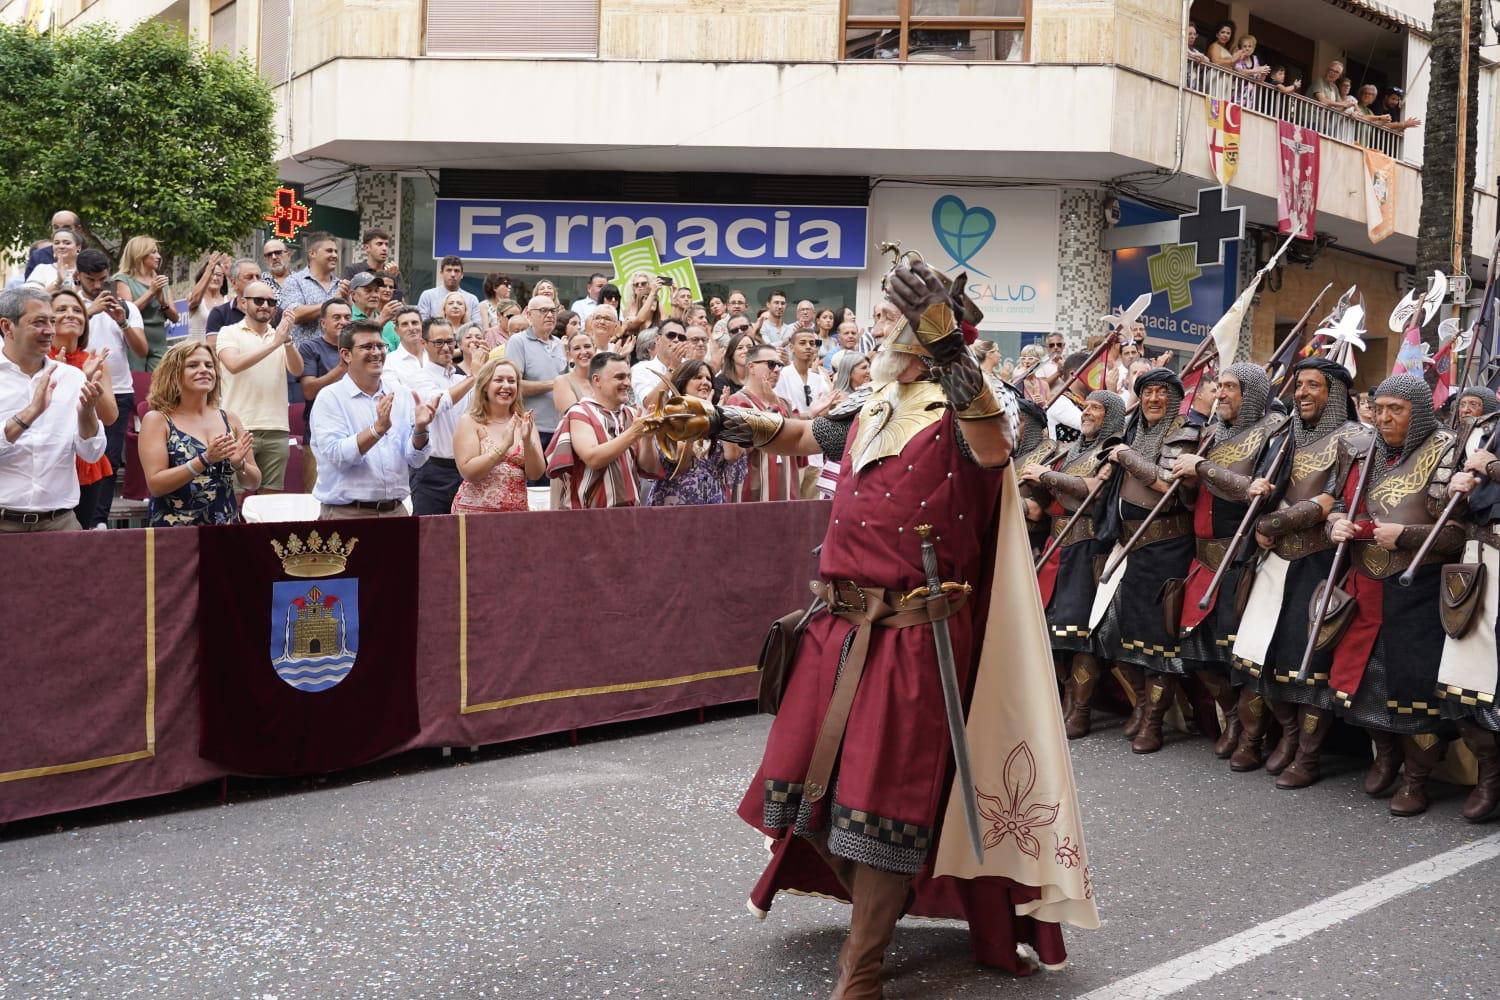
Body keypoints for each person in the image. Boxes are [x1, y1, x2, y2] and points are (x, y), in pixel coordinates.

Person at [689, 259, 1094, 989]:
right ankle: (890, 898)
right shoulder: (875, 402)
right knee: (810, 790)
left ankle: (863, 966)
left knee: (886, 803)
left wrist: (949, 347)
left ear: (931, 340)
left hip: (915, 636)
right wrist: (717, 420)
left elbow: (995, 446)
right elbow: (802, 434)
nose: (880, 335)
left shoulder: (965, 409)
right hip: (839, 630)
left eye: (894, 326)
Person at [1322, 375, 1462, 815]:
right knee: (1363, 683)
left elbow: (1456, 534)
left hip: (1415, 587)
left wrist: (1406, 536)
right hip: (1365, 583)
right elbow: (1344, 507)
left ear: (1417, 411)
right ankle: (1384, 756)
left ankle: (1416, 779)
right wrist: (1336, 525)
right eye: (1378, 408)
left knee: (1414, 689)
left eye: (1395, 409)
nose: (1383, 418)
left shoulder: (1444, 451)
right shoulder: (1366, 452)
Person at [1228, 358, 1361, 783]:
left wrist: (1279, 521)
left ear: (1335, 394)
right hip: (1273, 560)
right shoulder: (1285, 434)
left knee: (1308, 664)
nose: (1301, 393)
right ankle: (1279, 735)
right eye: (1299, 385)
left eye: (1312, 386)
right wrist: (1262, 514)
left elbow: (1336, 499)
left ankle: (1306, 755)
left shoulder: (1357, 438)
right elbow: (1265, 487)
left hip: (1319, 560)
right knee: (1256, 653)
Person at [1168, 363, 1284, 761]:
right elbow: (1195, 497)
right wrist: (1188, 484)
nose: (1220, 394)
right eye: (1219, 387)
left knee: (1242, 656)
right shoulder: (1214, 433)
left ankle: (1252, 737)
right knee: (1197, 652)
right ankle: (1233, 717)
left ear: (1251, 393)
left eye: (1231, 388)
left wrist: (1203, 467)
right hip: (1203, 559)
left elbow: (1257, 493)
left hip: (1243, 558)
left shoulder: (1275, 432)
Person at [1090, 368, 1201, 754]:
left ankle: (1153, 721)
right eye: (1147, 392)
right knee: (1114, 634)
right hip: (1127, 547)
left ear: (1174, 397)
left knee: (1157, 646)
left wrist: (1127, 456)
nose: (1153, 399)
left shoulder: (1184, 433)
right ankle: (1141, 703)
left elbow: (1169, 487)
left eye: (1161, 392)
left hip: (1165, 548)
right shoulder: (1133, 432)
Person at [1025, 389, 1127, 737]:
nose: (1087, 413)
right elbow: (1049, 496)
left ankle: (1080, 711)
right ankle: (1066, 699)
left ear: (1110, 416)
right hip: (1057, 544)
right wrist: (1034, 485)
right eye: (1085, 407)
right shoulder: (1070, 450)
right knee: (1049, 632)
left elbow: (1095, 488)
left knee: (1080, 635)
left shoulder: (1113, 450)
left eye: (1096, 408)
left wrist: (1048, 477)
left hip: (1087, 545)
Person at [0, 287, 107, 531]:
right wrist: (30, 414)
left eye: (51, 321)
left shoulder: (72, 378)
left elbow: (92, 453)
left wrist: (87, 414)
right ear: (7, 327)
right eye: (38, 322)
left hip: (60, 522)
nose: (50, 330)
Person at [310, 320, 439, 519]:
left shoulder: (401, 395)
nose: (377, 352)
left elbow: (416, 459)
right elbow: (337, 457)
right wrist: (377, 430)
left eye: (380, 346)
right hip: (347, 514)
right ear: (346, 354)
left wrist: (421, 430)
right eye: (367, 347)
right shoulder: (330, 398)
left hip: (396, 511)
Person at [1439, 408, 1500, 822]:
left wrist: (1492, 466)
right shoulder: (1486, 427)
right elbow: (1443, 505)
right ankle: (1490, 776)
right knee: (1460, 683)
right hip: (1476, 563)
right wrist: (1453, 490)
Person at [139, 340, 257, 526]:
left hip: (225, 532)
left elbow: (253, 482)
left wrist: (239, 464)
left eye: (209, 365)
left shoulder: (230, 419)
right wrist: (204, 459)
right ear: (174, 374)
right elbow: (156, 485)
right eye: (193, 365)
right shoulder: (157, 420)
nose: (204, 370)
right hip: (175, 535)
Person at [75, 249, 147, 526]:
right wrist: (88, 313)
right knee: (78, 456)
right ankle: (78, 517)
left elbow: (141, 351)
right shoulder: (70, 306)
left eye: (102, 280)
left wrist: (123, 320)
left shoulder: (127, 307)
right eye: (90, 280)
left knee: (109, 457)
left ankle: (99, 520)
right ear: (77, 276)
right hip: (77, 388)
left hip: (118, 390)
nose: (96, 286)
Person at [215, 283, 304, 495]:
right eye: (259, 300)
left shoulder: (279, 335)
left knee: (270, 502)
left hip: (277, 428)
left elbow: (297, 370)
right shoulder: (228, 332)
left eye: (271, 302)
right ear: (243, 303)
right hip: (238, 426)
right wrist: (275, 343)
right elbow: (234, 365)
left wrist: (288, 341)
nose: (265, 306)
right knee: (232, 497)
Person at [544, 352, 660, 508]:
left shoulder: (632, 414)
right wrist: (634, 433)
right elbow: (593, 458)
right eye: (619, 377)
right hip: (588, 518)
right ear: (597, 380)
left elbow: (649, 467)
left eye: (628, 377)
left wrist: (646, 439)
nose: (627, 383)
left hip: (630, 516)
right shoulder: (579, 413)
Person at [47, 289, 119, 528]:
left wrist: (86, 380)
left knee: (79, 541)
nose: (71, 315)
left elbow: (110, 418)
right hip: (50, 459)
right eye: (62, 309)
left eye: (77, 310)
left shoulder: (95, 360)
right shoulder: (36, 358)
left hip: (88, 463)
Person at [408, 319, 487, 515]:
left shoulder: (460, 379)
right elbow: (438, 404)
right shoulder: (419, 376)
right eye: (438, 342)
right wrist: (473, 377)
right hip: (432, 470)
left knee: (464, 537)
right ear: (424, 344)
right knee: (429, 535)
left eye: (450, 342)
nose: (446, 348)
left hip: (465, 469)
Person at [643, 361, 745, 506]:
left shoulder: (717, 414)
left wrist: (720, 417)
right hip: (675, 502)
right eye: (698, 377)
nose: (705, 382)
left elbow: (732, 456)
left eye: (708, 379)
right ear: (683, 383)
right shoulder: (668, 417)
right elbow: (676, 456)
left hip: (712, 501)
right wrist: (698, 418)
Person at [452, 357, 544, 514]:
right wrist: (503, 447)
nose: (506, 386)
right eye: (499, 380)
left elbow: (535, 474)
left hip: (515, 516)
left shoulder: (525, 421)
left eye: (511, 381)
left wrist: (528, 442)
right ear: (486, 385)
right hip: (475, 515)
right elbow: (469, 472)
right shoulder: (470, 421)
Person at [724, 343, 798, 502]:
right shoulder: (736, 402)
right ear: (751, 367)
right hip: (753, 492)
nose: (777, 370)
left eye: (779, 365)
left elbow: (795, 446)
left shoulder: (785, 403)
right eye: (771, 364)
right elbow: (736, 453)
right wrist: (771, 410)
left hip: (785, 491)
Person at [507, 295, 569, 483]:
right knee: (532, 490)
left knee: (554, 493)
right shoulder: (518, 341)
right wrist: (555, 383)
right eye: (543, 311)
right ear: (528, 314)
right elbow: (514, 386)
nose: (550, 315)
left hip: (558, 431)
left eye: (553, 310)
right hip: (531, 430)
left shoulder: (559, 344)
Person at [297, 298, 353, 493]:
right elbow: (309, 390)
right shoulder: (309, 348)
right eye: (336, 317)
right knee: (315, 499)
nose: (343, 322)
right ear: (323, 323)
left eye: (347, 317)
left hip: (355, 435)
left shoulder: (359, 349)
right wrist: (340, 368)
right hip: (318, 439)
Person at [114, 235, 180, 371]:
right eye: (153, 252)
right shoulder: (123, 280)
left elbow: (175, 318)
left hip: (159, 343)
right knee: (138, 385)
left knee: (159, 386)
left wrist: (163, 302)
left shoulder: (160, 280)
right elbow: (126, 312)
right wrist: (151, 292)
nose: (159, 256)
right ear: (140, 254)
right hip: (134, 341)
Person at [277, 232, 347, 345]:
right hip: (302, 358)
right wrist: (332, 302)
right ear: (312, 253)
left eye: (336, 251)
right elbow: (294, 315)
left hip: (336, 357)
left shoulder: (341, 285)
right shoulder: (294, 281)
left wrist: (348, 302)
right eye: (329, 251)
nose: (334, 255)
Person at [633, 318, 688, 411]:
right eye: (671, 335)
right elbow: (651, 404)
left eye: (681, 338)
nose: (676, 340)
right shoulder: (641, 368)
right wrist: (672, 368)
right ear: (658, 339)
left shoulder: (689, 367)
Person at [205, 258, 264, 341]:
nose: (255, 281)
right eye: (249, 277)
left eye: (258, 277)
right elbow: (214, 350)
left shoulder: (274, 312)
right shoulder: (219, 314)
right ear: (234, 283)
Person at [417, 256, 481, 324]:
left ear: (462, 275)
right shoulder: (427, 296)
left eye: (456, 271)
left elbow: (477, 327)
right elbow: (422, 325)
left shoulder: (472, 300)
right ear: (441, 273)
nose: (453, 274)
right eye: (449, 270)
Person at [342, 228, 401, 297]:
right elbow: (345, 298)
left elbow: (400, 303)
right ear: (367, 247)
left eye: (386, 244)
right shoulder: (353, 270)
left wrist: (391, 278)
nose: (384, 248)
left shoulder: (393, 272)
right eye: (379, 244)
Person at [552, 330, 596, 417]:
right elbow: (574, 417)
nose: (583, 352)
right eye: (577, 348)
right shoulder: (562, 381)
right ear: (569, 355)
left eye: (587, 346)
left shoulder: (605, 379)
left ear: (595, 349)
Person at [187, 253, 230, 341]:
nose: (214, 278)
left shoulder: (229, 300)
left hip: (220, 352)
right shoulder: (196, 297)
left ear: (223, 280)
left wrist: (230, 274)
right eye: (212, 274)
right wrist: (208, 270)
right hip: (197, 351)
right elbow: (194, 299)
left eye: (218, 275)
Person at [384, 306, 427, 388]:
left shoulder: (435, 354)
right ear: (396, 330)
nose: (411, 328)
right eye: (405, 324)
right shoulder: (389, 362)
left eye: (414, 323)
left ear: (422, 326)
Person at [25, 228, 81, 292]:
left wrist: (77, 282)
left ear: (78, 247)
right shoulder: (42, 269)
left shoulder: (85, 270)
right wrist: (58, 282)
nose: (61, 246)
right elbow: (29, 298)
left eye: (67, 243)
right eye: (57, 243)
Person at [714, 325, 755, 401]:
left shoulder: (760, 379)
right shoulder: (721, 381)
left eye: (749, 347)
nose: (746, 350)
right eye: (740, 348)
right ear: (731, 354)